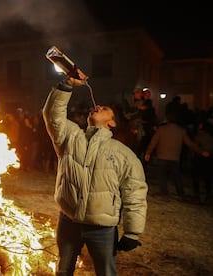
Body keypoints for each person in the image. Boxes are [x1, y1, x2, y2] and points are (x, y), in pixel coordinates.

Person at [42, 70, 148, 276]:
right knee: (63, 271)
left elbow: (134, 192)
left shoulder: (123, 154)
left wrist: (133, 232)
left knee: (105, 273)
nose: (97, 106)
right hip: (68, 221)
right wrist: (68, 84)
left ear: (112, 123)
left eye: (105, 108)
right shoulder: (70, 138)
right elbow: (53, 115)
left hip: (102, 229)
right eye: (97, 106)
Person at [144, 111, 210, 200]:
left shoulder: (161, 129)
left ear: (167, 119)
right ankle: (180, 192)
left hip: (162, 156)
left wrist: (148, 152)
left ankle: (164, 192)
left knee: (162, 175)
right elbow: (190, 144)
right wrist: (201, 151)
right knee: (176, 176)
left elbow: (153, 142)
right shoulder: (181, 130)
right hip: (175, 157)